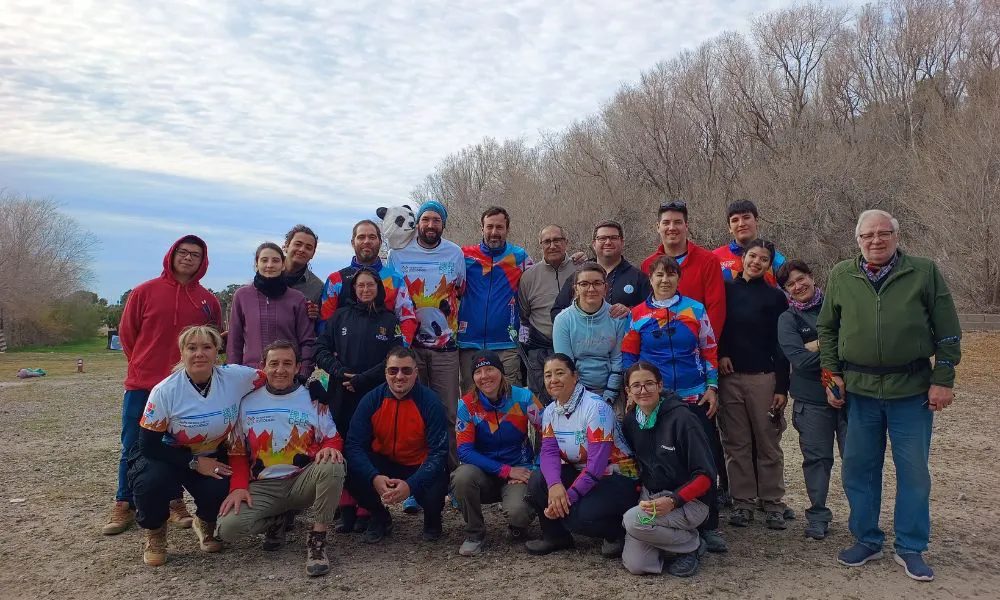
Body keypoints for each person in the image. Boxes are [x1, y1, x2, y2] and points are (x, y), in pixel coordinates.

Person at [818, 210, 961, 582]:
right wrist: (832, 376)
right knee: (859, 469)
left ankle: (911, 546)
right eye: (868, 236)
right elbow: (828, 329)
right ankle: (867, 539)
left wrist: (943, 378)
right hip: (861, 394)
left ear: (897, 236)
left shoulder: (923, 272)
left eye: (884, 233)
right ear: (858, 240)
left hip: (911, 391)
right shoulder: (841, 275)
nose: (876, 241)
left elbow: (948, 332)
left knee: (913, 471)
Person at [106, 235, 222, 536]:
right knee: (133, 445)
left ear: (203, 261)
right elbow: (128, 335)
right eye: (183, 252)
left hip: (185, 388)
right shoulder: (145, 291)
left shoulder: (207, 300)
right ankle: (124, 502)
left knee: (179, 444)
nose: (188, 258)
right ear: (171, 255)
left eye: (195, 255)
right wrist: (143, 366)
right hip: (144, 385)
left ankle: (174, 502)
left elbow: (212, 340)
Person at [128, 326, 265, 566]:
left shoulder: (236, 376)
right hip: (165, 456)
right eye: (192, 348)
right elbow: (147, 446)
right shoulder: (164, 391)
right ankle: (156, 532)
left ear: (217, 352)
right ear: (182, 354)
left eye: (206, 347)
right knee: (150, 482)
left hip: (211, 454)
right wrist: (193, 463)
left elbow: (272, 377)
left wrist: (312, 390)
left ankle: (205, 521)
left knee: (223, 489)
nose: (199, 353)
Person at [621, 255, 727, 553]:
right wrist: (631, 393)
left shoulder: (694, 309)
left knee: (704, 459)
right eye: (658, 275)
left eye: (670, 274)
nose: (664, 280)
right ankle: (663, 516)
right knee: (663, 459)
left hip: (694, 395)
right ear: (650, 279)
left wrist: (713, 387)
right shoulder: (638, 313)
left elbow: (709, 348)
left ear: (678, 278)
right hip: (654, 398)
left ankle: (708, 526)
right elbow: (629, 357)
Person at [217, 341, 345, 577]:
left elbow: (333, 438)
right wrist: (237, 487)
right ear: (263, 366)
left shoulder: (312, 398)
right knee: (227, 529)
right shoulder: (246, 401)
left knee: (334, 463)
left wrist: (329, 448)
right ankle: (276, 521)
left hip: (301, 482)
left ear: (298, 367)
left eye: (287, 363)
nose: (280, 370)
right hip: (263, 487)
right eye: (274, 363)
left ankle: (317, 540)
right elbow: (236, 452)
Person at [313, 267, 403, 534]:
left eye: (370, 285)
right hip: (342, 392)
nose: (365, 290)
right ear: (353, 290)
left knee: (368, 449)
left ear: (378, 288)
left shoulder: (389, 319)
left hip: (374, 392)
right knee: (341, 446)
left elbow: (395, 356)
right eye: (360, 286)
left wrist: (364, 378)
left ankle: (370, 510)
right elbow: (321, 349)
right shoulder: (340, 316)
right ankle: (347, 509)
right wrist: (339, 372)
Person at [524, 354, 639, 557]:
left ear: (575, 376)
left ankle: (618, 532)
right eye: (548, 375)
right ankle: (555, 536)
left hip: (617, 476)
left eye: (560, 373)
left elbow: (596, 465)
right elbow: (549, 452)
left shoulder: (596, 408)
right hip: (582, 472)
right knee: (538, 480)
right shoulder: (550, 411)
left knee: (576, 517)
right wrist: (554, 486)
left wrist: (567, 497)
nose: (553, 380)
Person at [387, 200, 466, 482]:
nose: (430, 225)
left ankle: (451, 475)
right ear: (417, 222)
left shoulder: (454, 253)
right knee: (413, 412)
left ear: (443, 224)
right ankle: (414, 478)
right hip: (410, 349)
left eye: (436, 220)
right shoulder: (398, 253)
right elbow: (390, 295)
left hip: (446, 348)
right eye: (426, 219)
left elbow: (460, 291)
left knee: (447, 413)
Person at [716, 239, 790, 530]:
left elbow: (782, 344)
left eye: (763, 259)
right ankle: (743, 503)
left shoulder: (775, 297)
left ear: (769, 264)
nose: (756, 262)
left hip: (764, 377)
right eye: (752, 256)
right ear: (742, 258)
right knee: (736, 444)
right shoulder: (726, 291)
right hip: (730, 378)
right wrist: (721, 354)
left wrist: (782, 387)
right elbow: (716, 328)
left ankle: (772, 503)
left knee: (768, 441)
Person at [344, 346, 449, 543]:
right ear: (385, 372)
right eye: (393, 370)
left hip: (418, 464)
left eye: (406, 370)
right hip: (384, 464)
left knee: (438, 480)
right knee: (349, 469)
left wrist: (411, 485)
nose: (399, 376)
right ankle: (379, 516)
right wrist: (373, 477)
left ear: (416, 373)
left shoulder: (430, 402)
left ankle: (433, 518)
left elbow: (439, 452)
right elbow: (353, 445)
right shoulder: (371, 400)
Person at [620, 362, 716, 577]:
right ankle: (678, 541)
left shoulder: (683, 418)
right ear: (628, 391)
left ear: (660, 385)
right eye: (636, 386)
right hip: (651, 495)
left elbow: (706, 476)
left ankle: (692, 543)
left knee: (633, 521)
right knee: (637, 565)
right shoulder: (630, 422)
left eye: (649, 384)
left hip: (688, 500)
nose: (643, 391)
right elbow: (631, 463)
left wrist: (674, 500)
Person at [775, 259, 846, 541]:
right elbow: (800, 361)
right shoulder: (787, 319)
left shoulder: (838, 307)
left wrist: (819, 344)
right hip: (811, 400)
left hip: (850, 396)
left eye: (801, 278)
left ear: (813, 277)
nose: (798, 286)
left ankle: (864, 518)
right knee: (817, 459)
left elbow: (855, 344)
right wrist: (835, 345)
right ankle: (818, 515)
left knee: (856, 458)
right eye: (790, 284)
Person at [453, 350, 544, 556]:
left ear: (501, 372)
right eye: (478, 372)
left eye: (490, 369)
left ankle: (518, 526)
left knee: (518, 514)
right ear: (473, 377)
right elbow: (464, 451)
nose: (484, 376)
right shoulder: (466, 405)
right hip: (484, 473)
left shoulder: (524, 397)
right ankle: (474, 533)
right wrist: (505, 470)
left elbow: (548, 432)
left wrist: (536, 468)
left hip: (520, 470)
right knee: (462, 476)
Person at [458, 206, 533, 388]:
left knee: (510, 399)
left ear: (507, 229)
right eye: (489, 227)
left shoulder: (520, 257)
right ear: (481, 228)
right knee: (472, 402)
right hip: (470, 343)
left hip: (506, 344)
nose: (494, 232)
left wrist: (570, 261)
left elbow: (541, 280)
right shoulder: (464, 255)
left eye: (499, 227)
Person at [318, 219, 416, 344]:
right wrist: (330, 352)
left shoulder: (395, 279)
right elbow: (325, 321)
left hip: (387, 358)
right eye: (361, 237)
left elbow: (407, 318)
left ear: (380, 242)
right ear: (353, 242)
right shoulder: (336, 280)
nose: (367, 241)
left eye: (372, 237)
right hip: (344, 358)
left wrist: (399, 352)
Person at [226, 242, 315, 378]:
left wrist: (303, 373)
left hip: (286, 376)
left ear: (283, 264)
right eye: (264, 260)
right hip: (250, 377)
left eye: (275, 260)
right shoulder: (242, 295)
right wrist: (233, 374)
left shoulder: (297, 298)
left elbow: (307, 340)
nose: (269, 265)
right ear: (256, 264)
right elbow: (234, 341)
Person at [641, 201, 725, 337]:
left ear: (686, 226)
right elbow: (645, 309)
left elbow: (716, 308)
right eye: (666, 222)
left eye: (678, 222)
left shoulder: (708, 261)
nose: (672, 227)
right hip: (658, 345)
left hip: (696, 345)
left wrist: (707, 345)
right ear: (658, 227)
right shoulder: (648, 264)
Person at [551, 263, 628, 404]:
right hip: (575, 392)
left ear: (605, 288)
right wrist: (582, 399)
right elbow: (565, 364)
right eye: (584, 284)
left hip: (612, 391)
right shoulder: (563, 320)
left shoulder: (617, 318)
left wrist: (609, 396)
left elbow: (618, 360)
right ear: (576, 289)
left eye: (597, 283)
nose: (591, 289)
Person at [517, 225, 575, 403]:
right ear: (540, 245)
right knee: (542, 407)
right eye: (547, 242)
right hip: (541, 353)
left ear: (566, 242)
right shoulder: (528, 277)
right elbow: (524, 314)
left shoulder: (581, 269)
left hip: (576, 349)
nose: (552, 245)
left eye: (557, 240)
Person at [550, 220, 651, 321]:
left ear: (622, 242)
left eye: (613, 238)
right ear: (594, 244)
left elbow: (651, 312)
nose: (608, 242)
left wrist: (630, 312)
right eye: (602, 238)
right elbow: (556, 312)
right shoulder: (579, 275)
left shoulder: (638, 277)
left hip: (624, 335)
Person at [713, 200, 787, 286]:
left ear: (756, 221)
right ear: (729, 228)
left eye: (746, 217)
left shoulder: (776, 259)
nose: (741, 224)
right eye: (735, 220)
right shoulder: (714, 258)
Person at [281, 224, 325, 321]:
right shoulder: (268, 274)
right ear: (286, 246)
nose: (302, 250)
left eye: (308, 247)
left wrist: (315, 315)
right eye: (298, 244)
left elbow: (318, 325)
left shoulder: (317, 288)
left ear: (313, 254)